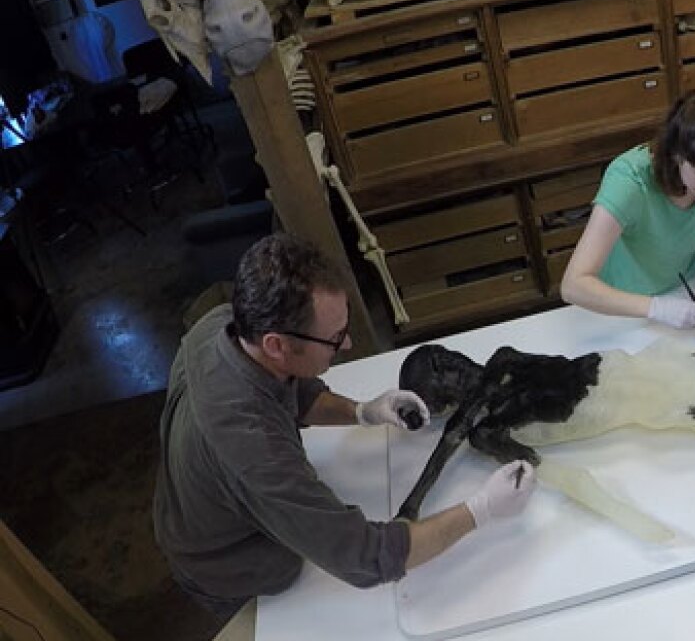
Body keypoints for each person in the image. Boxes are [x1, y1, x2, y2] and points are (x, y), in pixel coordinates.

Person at [153, 233, 537, 617]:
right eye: (334, 339)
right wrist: (481, 509)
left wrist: (361, 411)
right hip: (228, 561)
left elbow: (294, 391)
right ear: (276, 344)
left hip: (202, 496)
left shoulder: (222, 323)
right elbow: (369, 557)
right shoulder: (254, 453)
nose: (349, 343)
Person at [561, 89, 695, 348]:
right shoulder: (629, 181)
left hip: (685, 289)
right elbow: (573, 286)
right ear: (677, 155)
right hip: (622, 306)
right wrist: (657, 309)